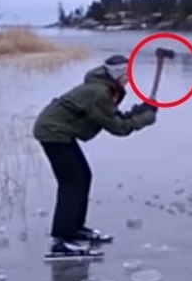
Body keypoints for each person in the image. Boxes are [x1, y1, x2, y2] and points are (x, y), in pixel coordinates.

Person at [32, 52, 161, 259]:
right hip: (53, 132)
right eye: (127, 75)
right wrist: (145, 119)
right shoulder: (99, 93)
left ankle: (74, 228)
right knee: (72, 182)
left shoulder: (106, 88)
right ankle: (63, 240)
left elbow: (113, 117)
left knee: (83, 176)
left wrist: (141, 110)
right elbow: (118, 128)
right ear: (117, 74)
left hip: (60, 131)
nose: (129, 79)